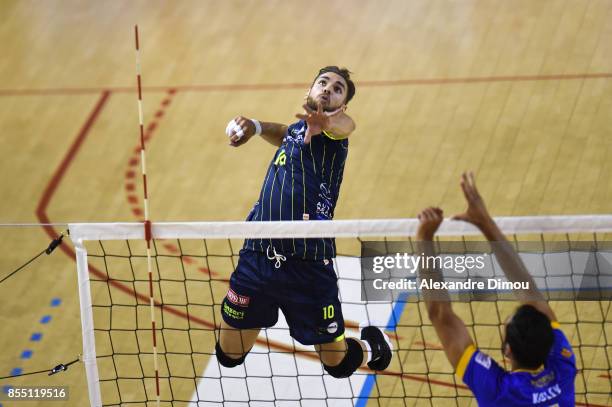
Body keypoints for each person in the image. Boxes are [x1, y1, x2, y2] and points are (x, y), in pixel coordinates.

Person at [216, 66, 392, 379]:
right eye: (322, 83)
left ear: (342, 104)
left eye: (338, 89)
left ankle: (372, 347)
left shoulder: (335, 135)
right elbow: (286, 133)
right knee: (229, 354)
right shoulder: (299, 129)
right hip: (258, 255)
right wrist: (255, 127)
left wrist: (328, 120)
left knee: (337, 363)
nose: (328, 89)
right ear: (307, 93)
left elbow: (346, 126)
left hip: (308, 266)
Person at [415, 171, 576, 406]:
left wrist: (424, 237)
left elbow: (440, 315)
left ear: (508, 350)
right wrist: (484, 222)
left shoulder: (499, 391)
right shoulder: (563, 369)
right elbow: (531, 296)